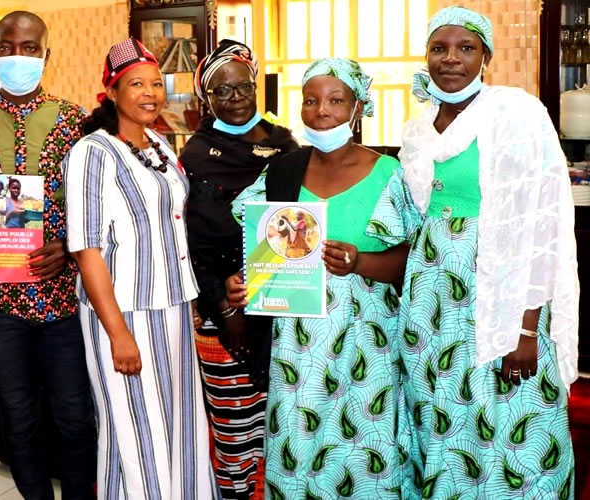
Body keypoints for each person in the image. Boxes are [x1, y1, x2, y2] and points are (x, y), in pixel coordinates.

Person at [396, 6, 578, 497]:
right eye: (439, 48)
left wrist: (524, 325)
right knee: (442, 414)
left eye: (466, 48)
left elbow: (544, 223)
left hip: (501, 292)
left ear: (487, 57)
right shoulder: (417, 127)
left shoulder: (516, 113)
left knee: (512, 417)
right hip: (431, 298)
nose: (450, 59)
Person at [226, 58, 416, 498]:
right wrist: (243, 282)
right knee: (298, 436)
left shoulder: (388, 173)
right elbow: (265, 248)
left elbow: (411, 259)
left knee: (363, 444)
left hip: (366, 340)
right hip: (298, 342)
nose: (321, 111)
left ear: (358, 107)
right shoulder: (283, 171)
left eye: (335, 100)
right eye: (310, 100)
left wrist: (360, 262)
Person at [0, 11, 96, 500]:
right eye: (8, 46)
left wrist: (68, 249)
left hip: (62, 300)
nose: (18, 56)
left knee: (73, 413)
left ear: (47, 55)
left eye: (30, 48)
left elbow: (93, 201)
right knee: (17, 412)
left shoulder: (77, 123)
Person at [62, 36, 219, 499]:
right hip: (124, 312)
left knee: (180, 425)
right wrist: (117, 333)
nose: (151, 93)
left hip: (170, 308)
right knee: (135, 430)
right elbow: (86, 250)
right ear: (112, 92)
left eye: (157, 83)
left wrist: (186, 301)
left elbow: (173, 234)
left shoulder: (161, 146)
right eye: (136, 84)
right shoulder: (91, 154)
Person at [178, 39, 297, 500]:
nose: (235, 98)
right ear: (205, 100)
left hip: (283, 305)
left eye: (243, 86)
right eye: (221, 92)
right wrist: (225, 304)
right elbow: (188, 241)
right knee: (233, 428)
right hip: (219, 306)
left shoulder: (286, 145)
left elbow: (299, 226)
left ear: (256, 85)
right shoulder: (194, 155)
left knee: (281, 420)